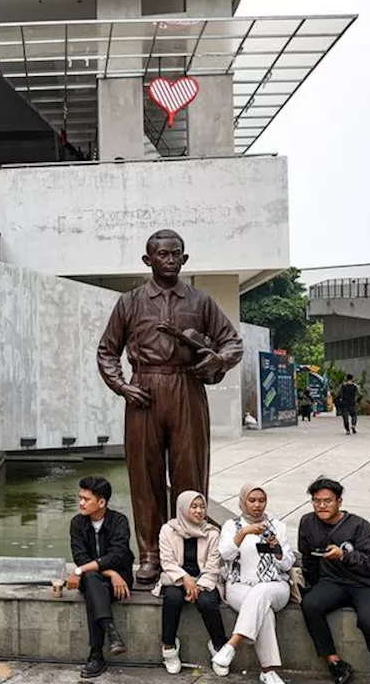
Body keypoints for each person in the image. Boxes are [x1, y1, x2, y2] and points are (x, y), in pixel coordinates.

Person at [96, 229, 243, 585]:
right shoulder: (130, 302)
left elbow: (233, 343)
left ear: (185, 258)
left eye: (176, 253)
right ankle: (149, 555)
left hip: (187, 389)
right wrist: (122, 386)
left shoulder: (200, 302)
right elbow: (107, 351)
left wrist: (217, 361)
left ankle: (190, 552)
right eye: (162, 254)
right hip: (143, 391)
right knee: (144, 477)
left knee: (189, 473)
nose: (170, 259)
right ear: (148, 260)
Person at [298, 477, 370, 684]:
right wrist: (310, 584)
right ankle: (334, 662)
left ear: (339, 502)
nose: (321, 506)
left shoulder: (359, 526)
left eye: (327, 501)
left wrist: (344, 556)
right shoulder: (307, 522)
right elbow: (307, 557)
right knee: (310, 605)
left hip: (367, 584)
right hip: (333, 582)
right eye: (316, 501)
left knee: (369, 622)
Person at [212, 484, 295, 683]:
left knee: (262, 593)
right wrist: (243, 534)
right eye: (252, 500)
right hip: (239, 586)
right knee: (262, 610)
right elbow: (225, 554)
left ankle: (232, 644)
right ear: (242, 501)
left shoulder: (277, 526)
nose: (257, 505)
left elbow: (287, 563)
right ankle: (268, 671)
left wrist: (276, 549)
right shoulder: (232, 526)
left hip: (275, 585)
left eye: (261, 500)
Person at [67, 475, 134, 679]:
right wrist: (108, 572)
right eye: (80, 498)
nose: (81, 503)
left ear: (102, 502)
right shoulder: (77, 523)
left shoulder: (119, 521)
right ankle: (111, 634)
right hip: (98, 578)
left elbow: (118, 555)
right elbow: (81, 557)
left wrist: (84, 571)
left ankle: (96, 656)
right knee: (91, 582)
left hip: (120, 582)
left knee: (90, 582)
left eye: (86, 499)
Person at [155, 490, 226, 676]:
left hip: (205, 579)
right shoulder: (168, 530)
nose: (198, 511)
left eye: (202, 507)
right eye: (193, 507)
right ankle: (169, 647)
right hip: (176, 579)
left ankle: (219, 646)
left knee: (207, 602)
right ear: (183, 508)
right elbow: (167, 562)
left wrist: (199, 586)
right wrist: (185, 579)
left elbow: (213, 565)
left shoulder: (212, 532)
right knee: (172, 598)